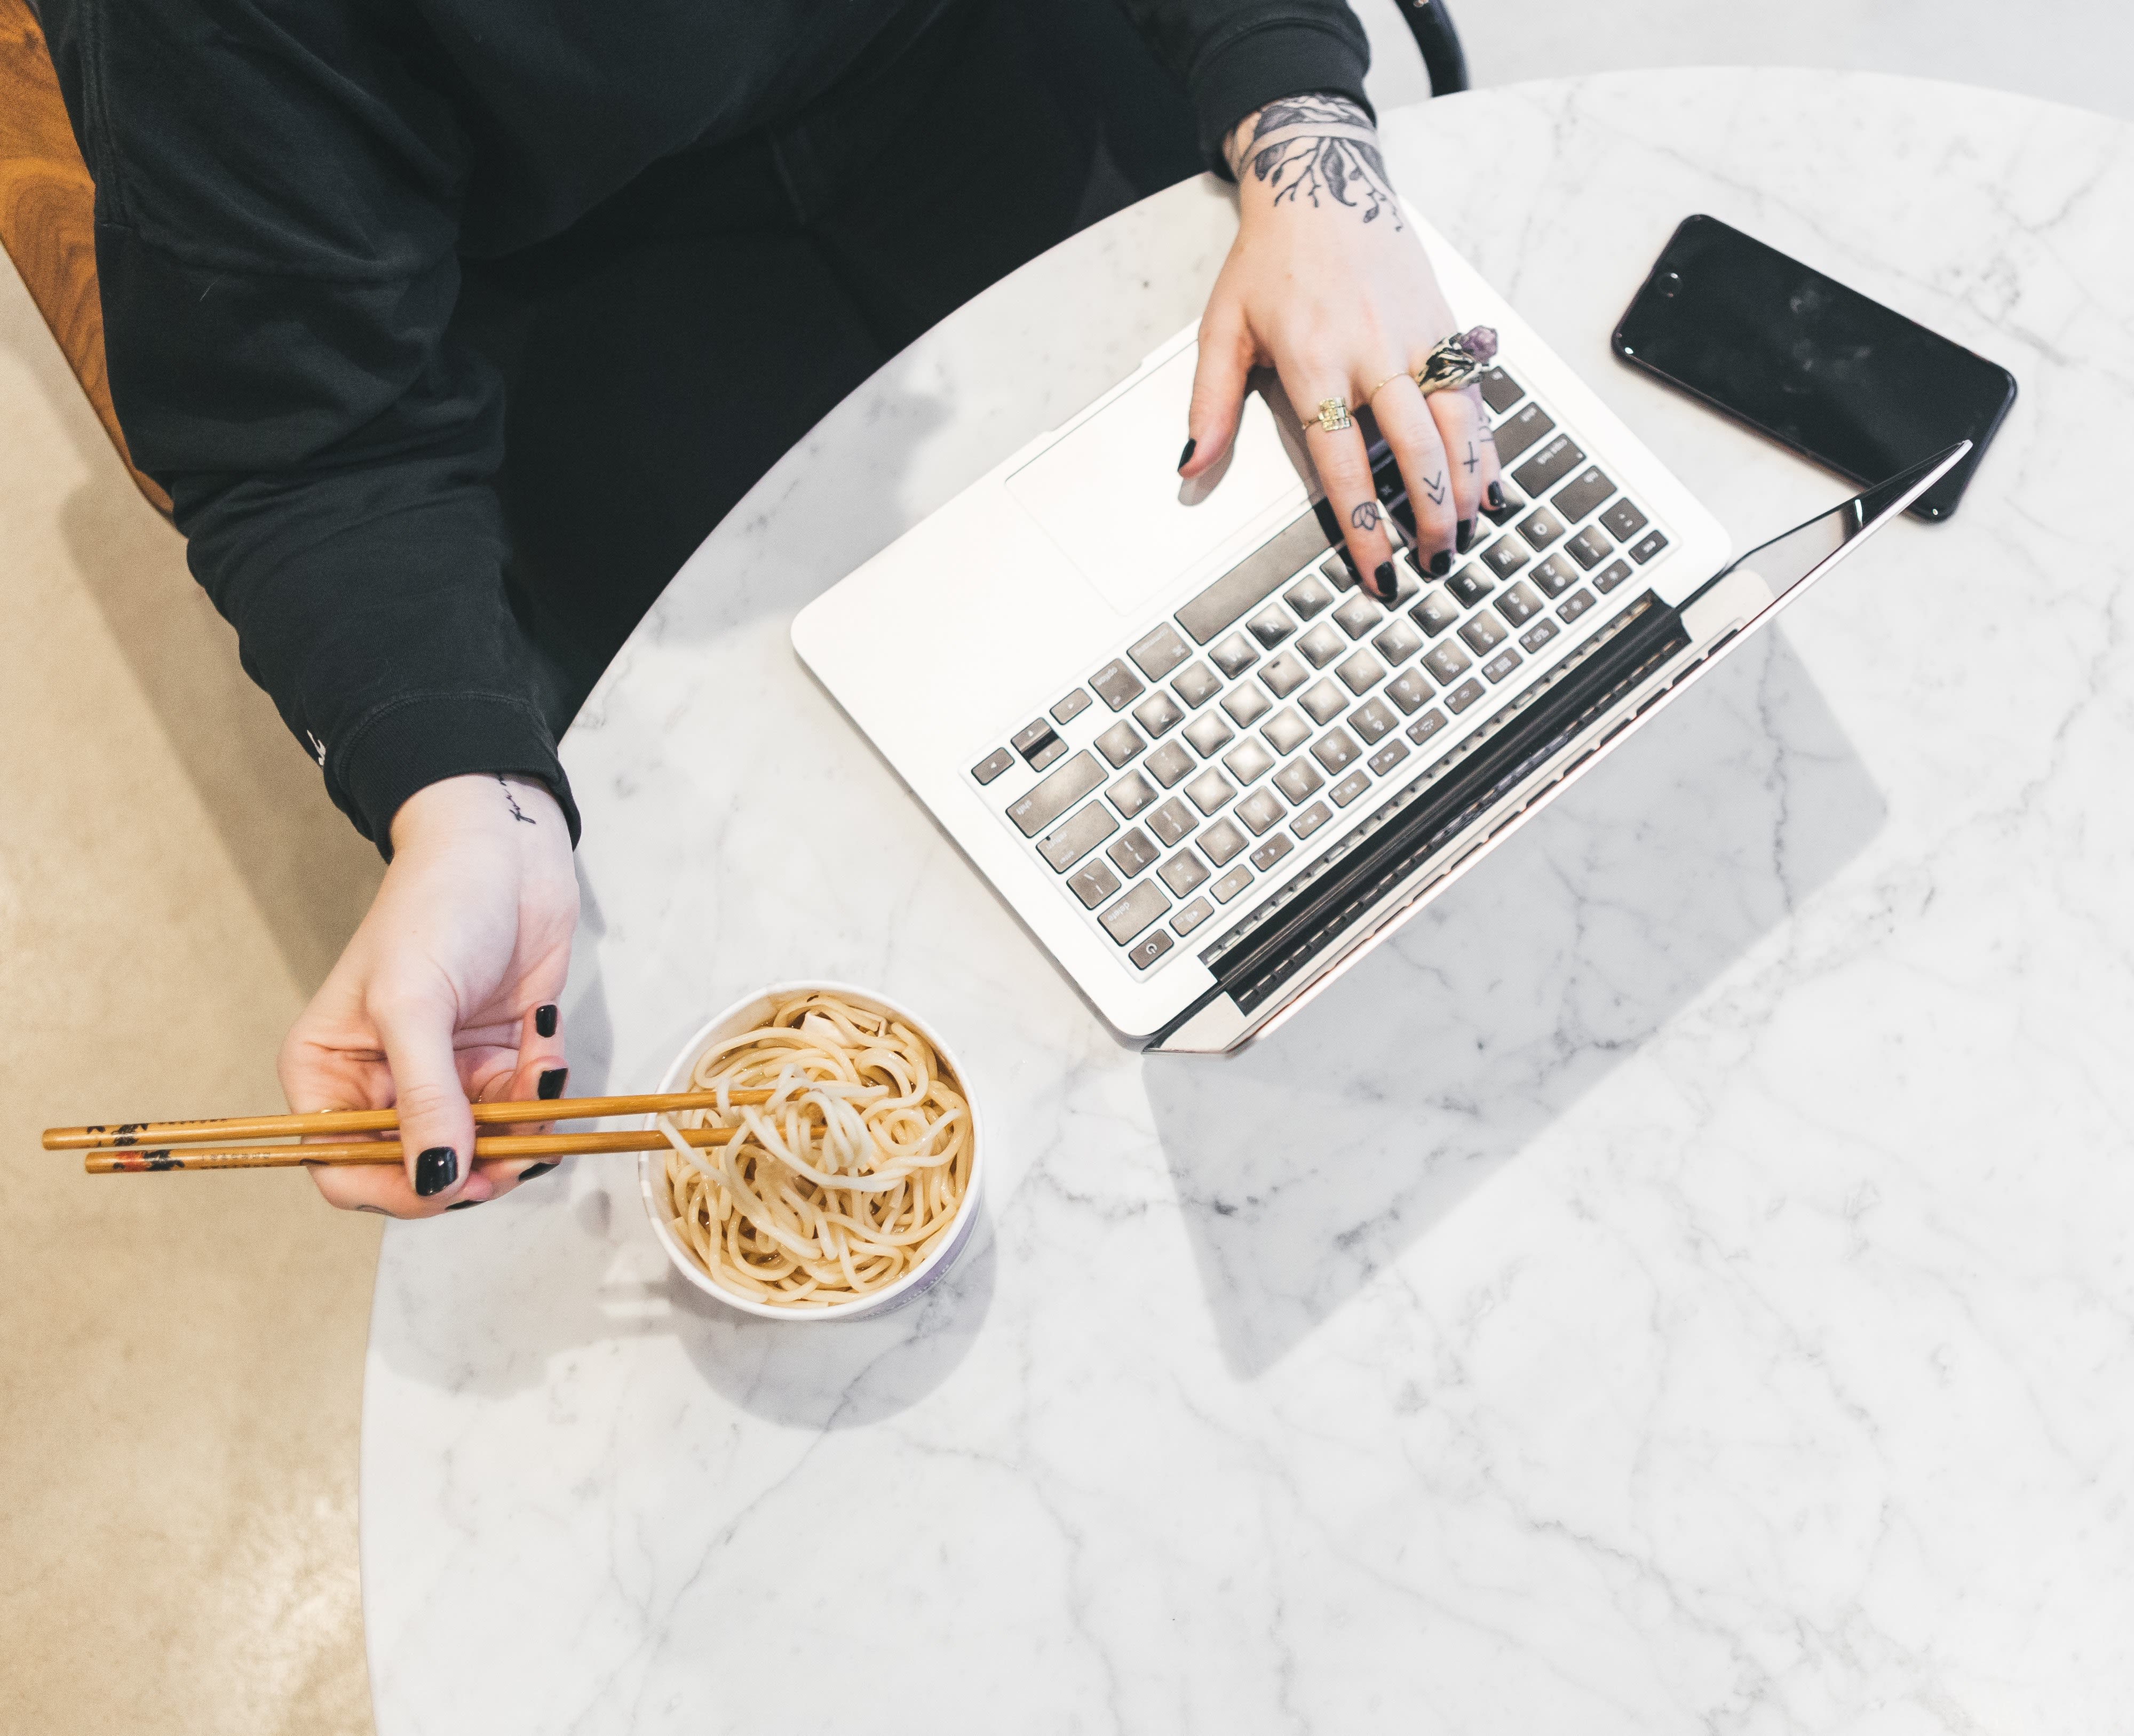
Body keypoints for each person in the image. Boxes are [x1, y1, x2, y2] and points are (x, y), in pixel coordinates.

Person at [41, 0, 1502, 1215]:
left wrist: (1304, 127)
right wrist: (457, 790)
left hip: (1006, 61)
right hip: (590, 276)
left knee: (1448, 660)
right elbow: (311, 439)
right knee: (949, 1014)